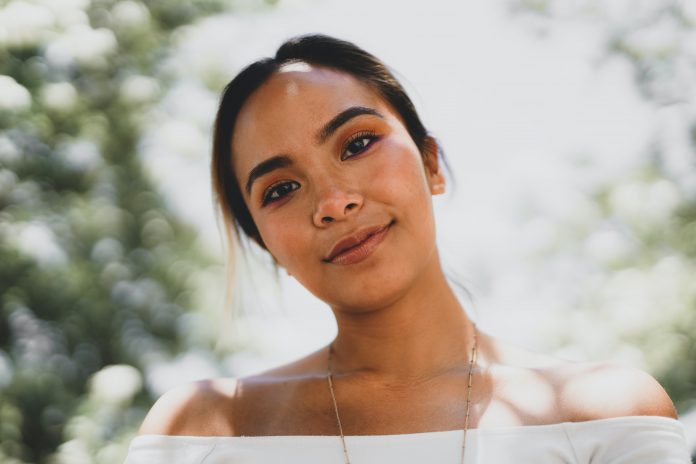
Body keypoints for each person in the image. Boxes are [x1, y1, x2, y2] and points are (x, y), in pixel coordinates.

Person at [124, 34, 691, 463]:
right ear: (268, 245)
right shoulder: (202, 430)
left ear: (430, 163)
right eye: (281, 189)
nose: (332, 201)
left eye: (359, 143)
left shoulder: (607, 411)